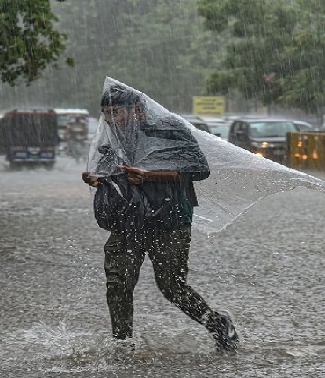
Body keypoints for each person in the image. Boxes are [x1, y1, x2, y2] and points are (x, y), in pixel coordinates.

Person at [81, 84, 239, 352]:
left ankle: (217, 324)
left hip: (169, 220)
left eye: (115, 112)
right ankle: (123, 343)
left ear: (137, 110)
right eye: (105, 113)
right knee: (118, 283)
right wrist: (98, 180)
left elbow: (199, 170)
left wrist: (149, 175)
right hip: (128, 220)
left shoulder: (169, 130)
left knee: (171, 286)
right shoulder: (114, 138)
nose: (110, 119)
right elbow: (111, 171)